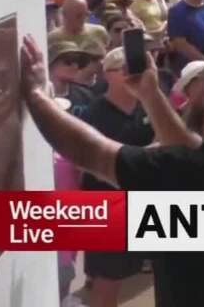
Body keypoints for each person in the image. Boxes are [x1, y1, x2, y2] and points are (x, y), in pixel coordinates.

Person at [18, 37, 204, 307]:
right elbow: (191, 146)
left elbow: (90, 152)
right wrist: (150, 93)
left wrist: (35, 95)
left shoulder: (179, 169)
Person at [77, 48, 155, 307]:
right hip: (107, 209)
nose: (132, 74)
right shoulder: (93, 115)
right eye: (124, 70)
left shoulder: (150, 108)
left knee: (134, 275)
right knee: (107, 283)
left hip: (143, 208)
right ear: (107, 75)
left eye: (136, 68)